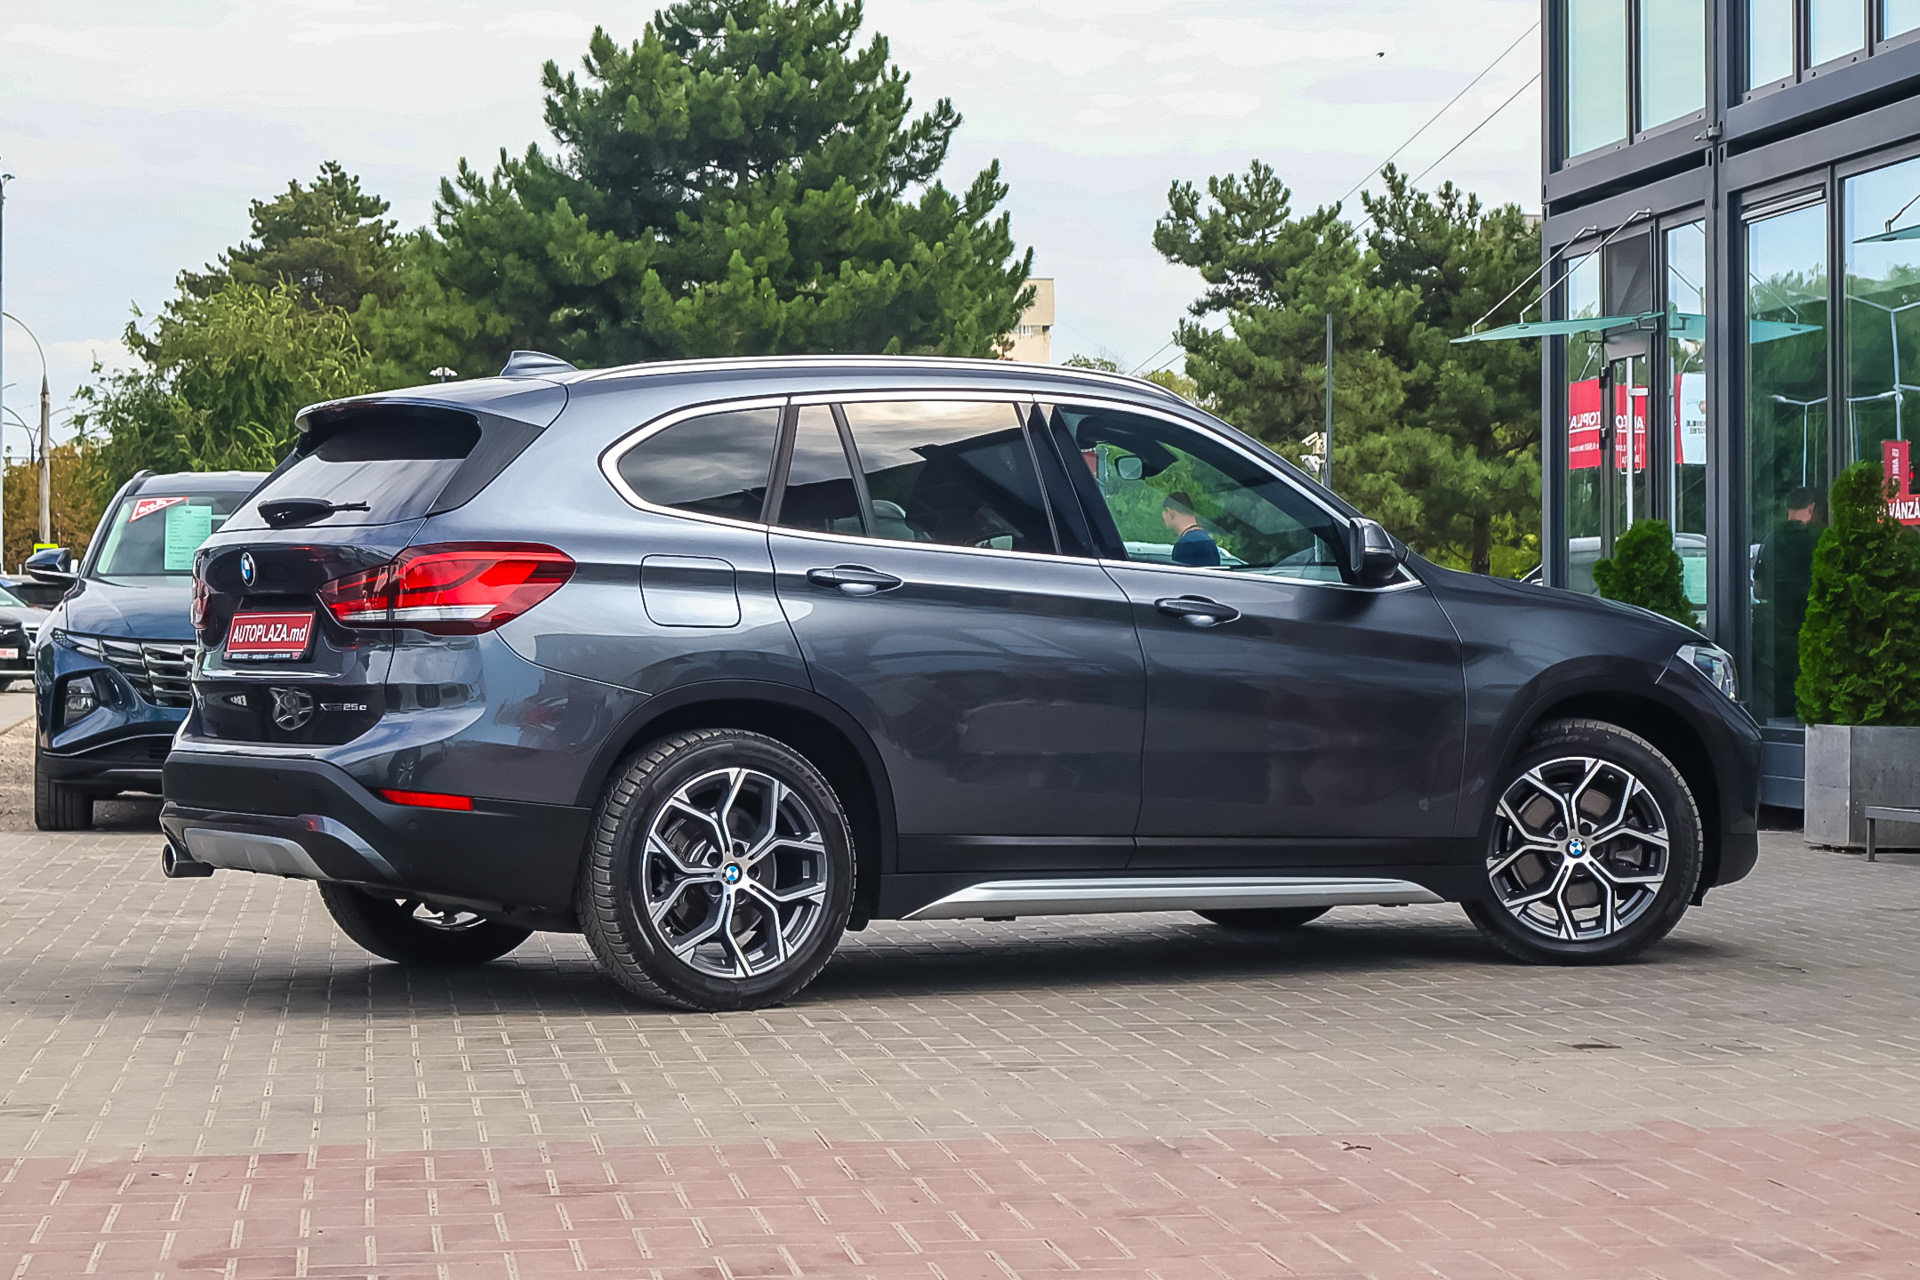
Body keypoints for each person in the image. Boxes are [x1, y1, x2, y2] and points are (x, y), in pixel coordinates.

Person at [1162, 491, 1221, 567]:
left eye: (1165, 511)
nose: (1163, 516)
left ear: (1170, 512)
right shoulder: (1207, 540)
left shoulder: (1185, 545)